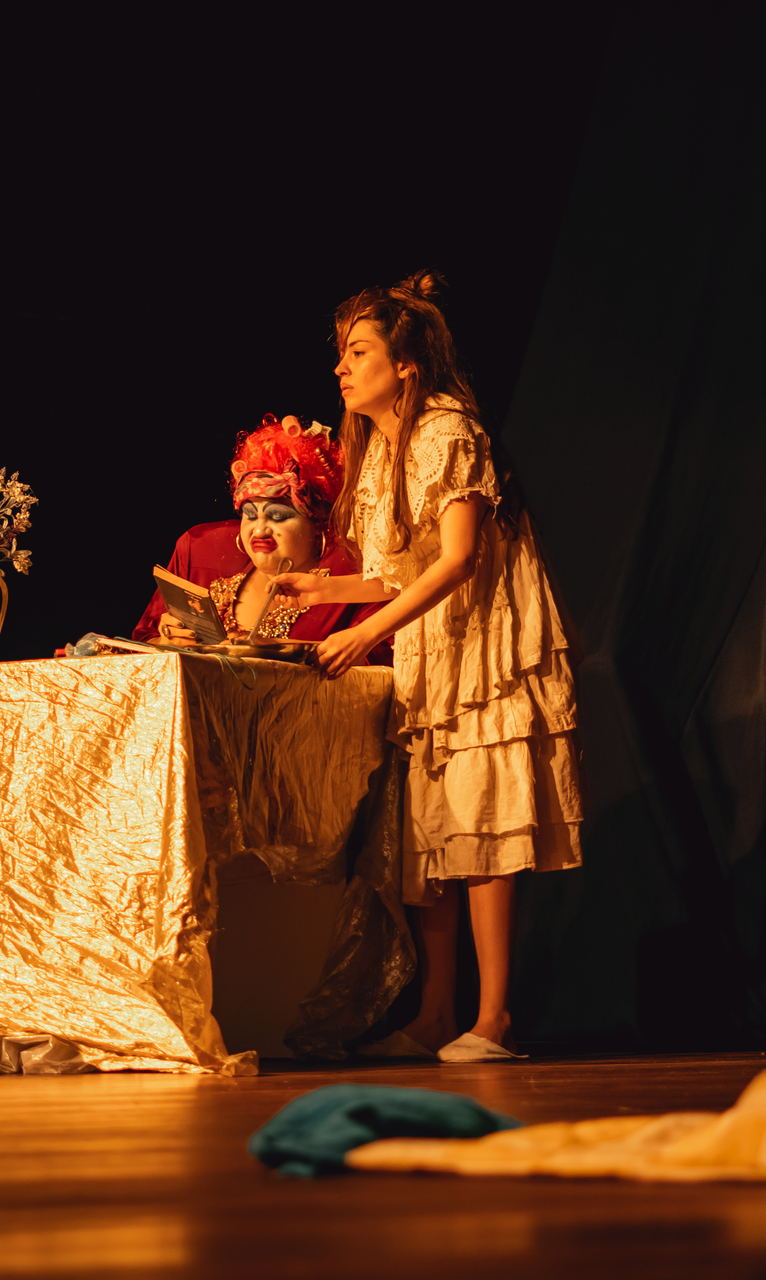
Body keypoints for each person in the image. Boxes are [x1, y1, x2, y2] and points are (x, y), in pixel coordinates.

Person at [274, 272, 584, 1063]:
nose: (341, 369)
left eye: (358, 352)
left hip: (480, 643)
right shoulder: (380, 450)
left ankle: (493, 1019)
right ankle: (437, 1013)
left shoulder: (448, 431)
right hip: (431, 643)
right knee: (435, 832)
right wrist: (327, 587)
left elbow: (455, 560)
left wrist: (360, 632)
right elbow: (396, 569)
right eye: (340, 354)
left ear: (404, 362)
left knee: (482, 821)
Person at [141, 415, 391, 653]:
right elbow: (143, 643)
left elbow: (377, 668)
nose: (259, 530)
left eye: (279, 516)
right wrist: (166, 640)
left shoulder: (365, 569)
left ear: (317, 522)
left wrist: (276, 651)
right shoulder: (200, 548)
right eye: (249, 514)